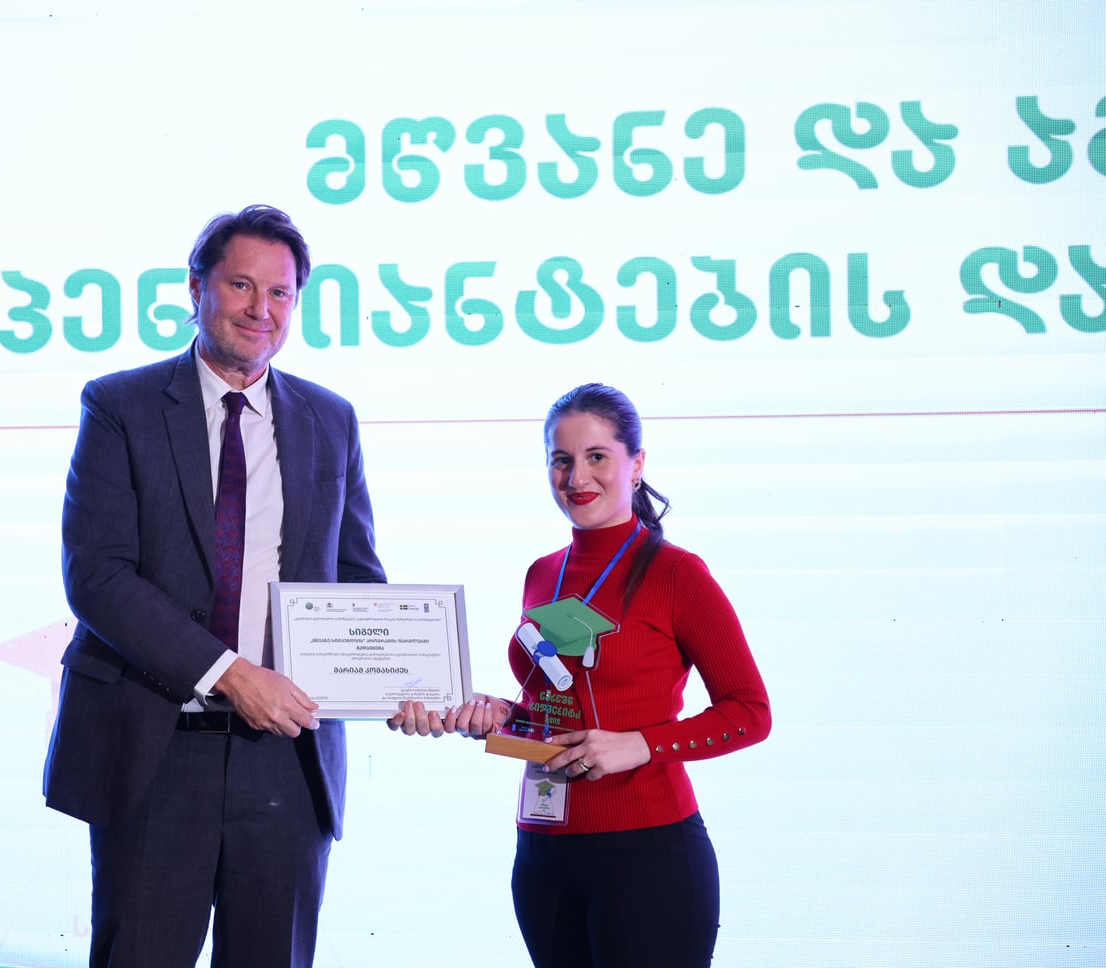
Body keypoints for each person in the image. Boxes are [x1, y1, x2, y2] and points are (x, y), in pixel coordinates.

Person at [43, 204, 386, 968]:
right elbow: (97, 574)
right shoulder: (121, 406)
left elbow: (357, 580)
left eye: (280, 292)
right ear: (196, 288)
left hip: (287, 760)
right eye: (240, 285)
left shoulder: (331, 420)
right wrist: (231, 674)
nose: (261, 309)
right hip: (156, 751)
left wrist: (401, 679)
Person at [389, 382, 770, 968]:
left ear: (636, 464)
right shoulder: (543, 572)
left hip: (645, 852)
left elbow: (750, 713)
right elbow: (554, 710)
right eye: (561, 460)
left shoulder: (676, 574)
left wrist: (640, 744)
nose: (577, 477)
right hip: (543, 849)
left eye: (597, 457)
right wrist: (496, 716)